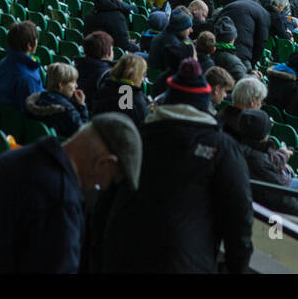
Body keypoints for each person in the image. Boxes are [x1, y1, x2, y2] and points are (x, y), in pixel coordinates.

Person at [98, 59, 252, 273]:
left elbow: (106, 199)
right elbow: (239, 218)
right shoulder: (222, 148)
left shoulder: (137, 133)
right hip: (184, 261)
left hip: (123, 250)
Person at [0, 112, 139, 273]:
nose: (103, 187)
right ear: (104, 162)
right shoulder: (59, 200)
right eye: (111, 179)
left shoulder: (14, 158)